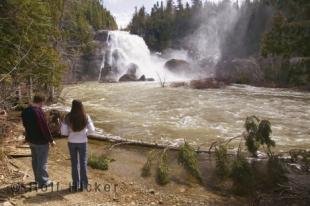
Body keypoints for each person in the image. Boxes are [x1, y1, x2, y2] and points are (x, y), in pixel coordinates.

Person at [21, 94, 56, 188]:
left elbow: (25, 126)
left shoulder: (25, 111)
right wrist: (51, 140)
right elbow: (44, 127)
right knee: (42, 162)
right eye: (43, 103)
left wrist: (26, 138)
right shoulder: (38, 111)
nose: (43, 105)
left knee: (35, 160)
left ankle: (38, 179)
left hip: (31, 140)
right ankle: (44, 182)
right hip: (41, 141)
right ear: (41, 101)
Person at [61, 100, 95, 191]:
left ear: (72, 106)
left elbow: (63, 133)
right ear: (81, 106)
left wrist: (70, 132)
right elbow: (92, 130)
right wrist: (85, 132)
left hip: (71, 142)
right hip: (83, 142)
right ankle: (84, 185)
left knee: (74, 163)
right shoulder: (86, 116)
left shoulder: (67, 117)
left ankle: (76, 185)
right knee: (83, 163)